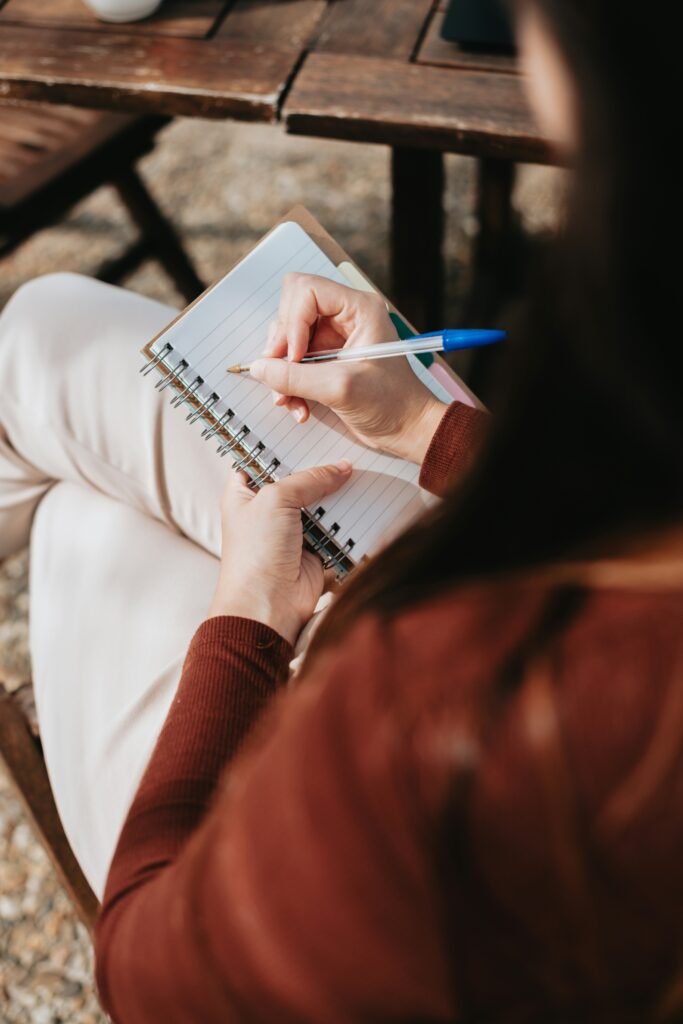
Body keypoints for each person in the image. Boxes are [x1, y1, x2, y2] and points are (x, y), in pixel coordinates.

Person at [0, 0, 680, 1019]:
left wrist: (247, 622)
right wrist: (421, 426)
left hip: (386, 716)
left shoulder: (437, 727)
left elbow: (148, 976)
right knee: (42, 329)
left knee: (83, 523)